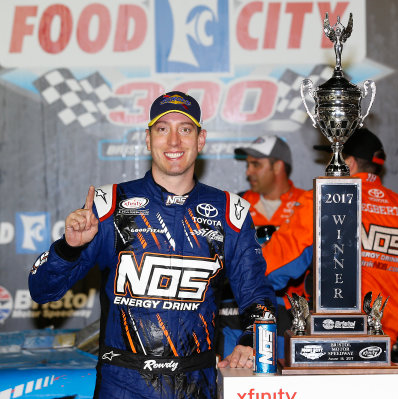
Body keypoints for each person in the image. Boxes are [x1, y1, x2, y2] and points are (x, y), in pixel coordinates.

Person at [28, 91, 276, 399]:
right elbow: (41, 290)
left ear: (200, 140)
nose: (173, 141)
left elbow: (259, 298)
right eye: (162, 129)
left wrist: (251, 343)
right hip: (122, 385)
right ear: (148, 139)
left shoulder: (230, 212)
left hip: (196, 385)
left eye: (185, 129)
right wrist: (69, 247)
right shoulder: (109, 205)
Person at [261, 127, 398, 354]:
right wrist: (386, 273)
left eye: (332, 159)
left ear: (348, 163)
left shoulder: (321, 200)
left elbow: (272, 270)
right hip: (382, 346)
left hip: (323, 346)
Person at [216, 136, 306, 359]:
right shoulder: (236, 205)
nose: (248, 172)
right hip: (240, 308)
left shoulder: (306, 205)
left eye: (256, 164)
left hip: (292, 312)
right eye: (247, 165)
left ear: (278, 166)